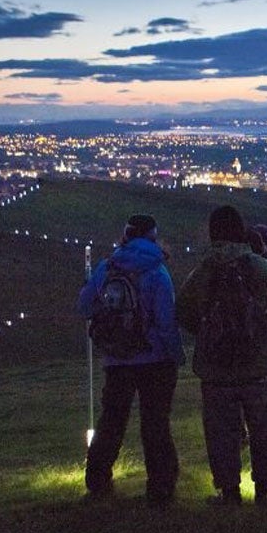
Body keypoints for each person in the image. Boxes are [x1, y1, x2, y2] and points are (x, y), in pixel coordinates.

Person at [176, 205, 267, 506]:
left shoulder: (202, 272)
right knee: (264, 428)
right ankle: (264, 489)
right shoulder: (261, 268)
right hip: (258, 365)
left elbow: (185, 313)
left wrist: (208, 334)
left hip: (216, 370)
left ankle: (229, 491)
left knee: (222, 434)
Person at [78, 214, 185, 507]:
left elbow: (85, 304)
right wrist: (176, 355)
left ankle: (97, 479)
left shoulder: (108, 267)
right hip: (154, 360)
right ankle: (161, 485)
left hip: (117, 358)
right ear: (153, 237)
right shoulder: (157, 272)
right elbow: (166, 321)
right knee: (155, 423)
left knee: (111, 420)